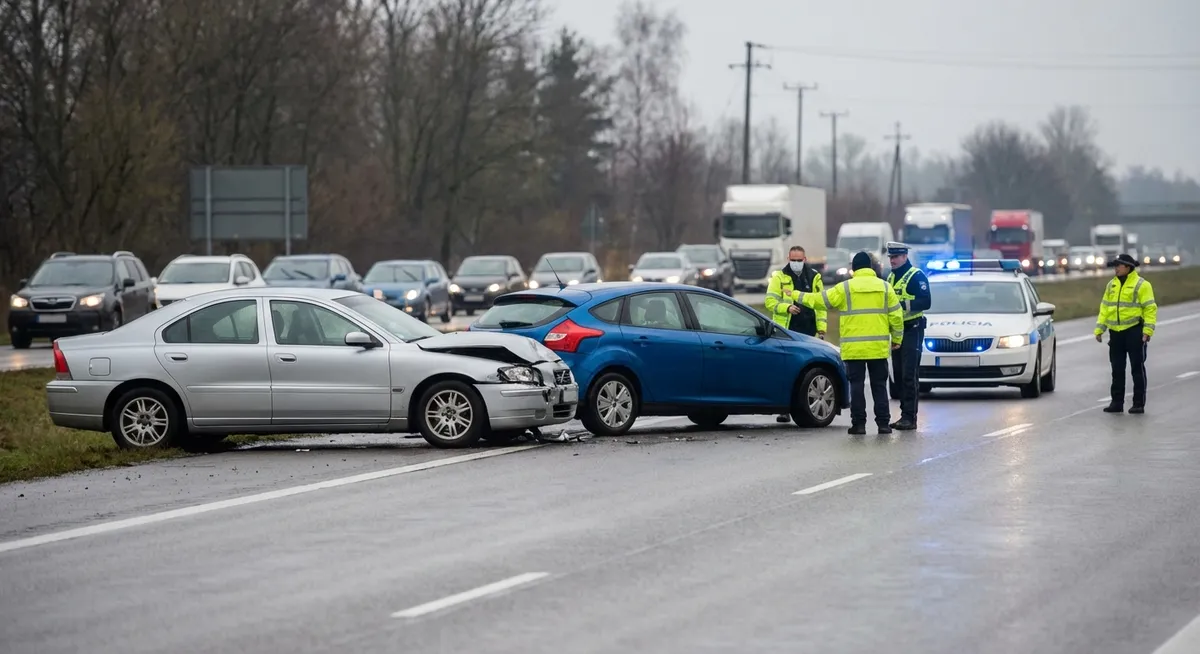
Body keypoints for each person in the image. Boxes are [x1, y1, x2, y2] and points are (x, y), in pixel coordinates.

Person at [796, 251, 904, 435]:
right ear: (870, 267)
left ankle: (859, 425)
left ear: (853, 268)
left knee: (856, 387)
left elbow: (820, 301)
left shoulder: (845, 288)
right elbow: (896, 316)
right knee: (879, 387)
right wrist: (897, 339)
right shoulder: (885, 287)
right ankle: (883, 424)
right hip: (877, 348)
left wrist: (796, 295)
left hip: (854, 350)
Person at [765, 245, 827, 423]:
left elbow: (821, 304)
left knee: (808, 371)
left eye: (799, 260)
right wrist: (786, 307)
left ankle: (807, 408)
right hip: (787, 330)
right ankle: (784, 409)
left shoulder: (814, 277)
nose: (796, 263)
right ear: (788, 259)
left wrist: (821, 328)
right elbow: (769, 301)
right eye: (793, 260)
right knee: (785, 371)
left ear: (805, 260)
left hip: (809, 329)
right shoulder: (779, 277)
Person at [1095, 253, 1157, 414]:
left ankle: (1138, 403)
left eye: (1119, 265)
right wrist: (1099, 329)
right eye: (1114, 265)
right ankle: (1117, 403)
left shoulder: (1142, 285)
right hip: (1116, 333)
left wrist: (1147, 331)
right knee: (1117, 369)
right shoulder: (1111, 285)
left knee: (1137, 368)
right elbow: (1105, 308)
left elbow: (1150, 308)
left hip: (1134, 331)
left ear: (1128, 267)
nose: (1115, 268)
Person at [884, 242, 932, 431]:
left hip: (912, 329)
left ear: (905, 256)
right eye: (890, 257)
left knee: (908, 374)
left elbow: (926, 301)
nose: (892, 260)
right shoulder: (891, 276)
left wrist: (901, 305)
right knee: (898, 374)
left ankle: (910, 418)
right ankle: (904, 414)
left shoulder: (916, 276)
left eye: (895, 257)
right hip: (896, 331)